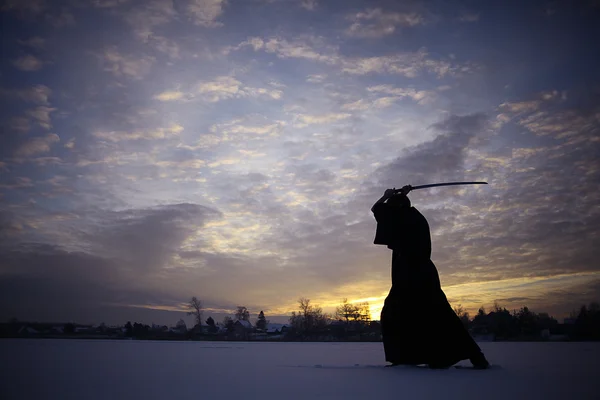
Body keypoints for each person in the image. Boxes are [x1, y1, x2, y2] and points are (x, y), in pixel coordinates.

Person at [372, 186, 490, 369]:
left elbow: (378, 210)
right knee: (426, 315)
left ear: (397, 208)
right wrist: (400, 196)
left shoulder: (405, 219)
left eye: (392, 206)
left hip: (412, 276)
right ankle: (424, 357)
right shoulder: (411, 217)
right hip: (418, 275)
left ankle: (410, 357)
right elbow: (385, 212)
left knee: (411, 314)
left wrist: (386, 196)